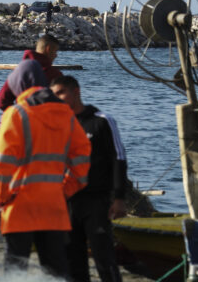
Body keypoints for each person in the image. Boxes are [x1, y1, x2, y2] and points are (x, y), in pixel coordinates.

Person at [0, 60, 91, 279]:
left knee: (15, 269)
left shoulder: (16, 114)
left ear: (18, 85)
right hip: (54, 205)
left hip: (19, 205)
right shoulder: (66, 115)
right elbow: (83, 157)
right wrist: (65, 190)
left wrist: (2, 197)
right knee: (55, 269)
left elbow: (1, 162)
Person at [50, 75, 128, 282]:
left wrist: (119, 198)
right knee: (72, 261)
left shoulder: (101, 121)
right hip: (66, 203)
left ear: (76, 92)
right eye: (54, 95)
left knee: (104, 258)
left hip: (96, 201)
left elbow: (118, 159)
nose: (57, 99)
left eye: (61, 93)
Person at [0, 34, 63, 111]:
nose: (56, 55)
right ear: (48, 49)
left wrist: (18, 115)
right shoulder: (54, 74)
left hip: (21, 119)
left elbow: (1, 101)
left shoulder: (19, 71)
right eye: (55, 51)